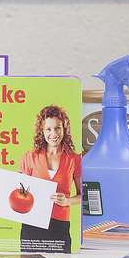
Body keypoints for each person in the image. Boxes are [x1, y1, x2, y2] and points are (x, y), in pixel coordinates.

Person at [14, 104, 81, 250]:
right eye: (48, 129)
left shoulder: (74, 159)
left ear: (64, 128)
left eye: (57, 128)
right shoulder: (29, 157)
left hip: (59, 225)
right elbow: (16, 189)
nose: (53, 133)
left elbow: (84, 196)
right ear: (42, 131)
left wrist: (67, 201)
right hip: (32, 223)